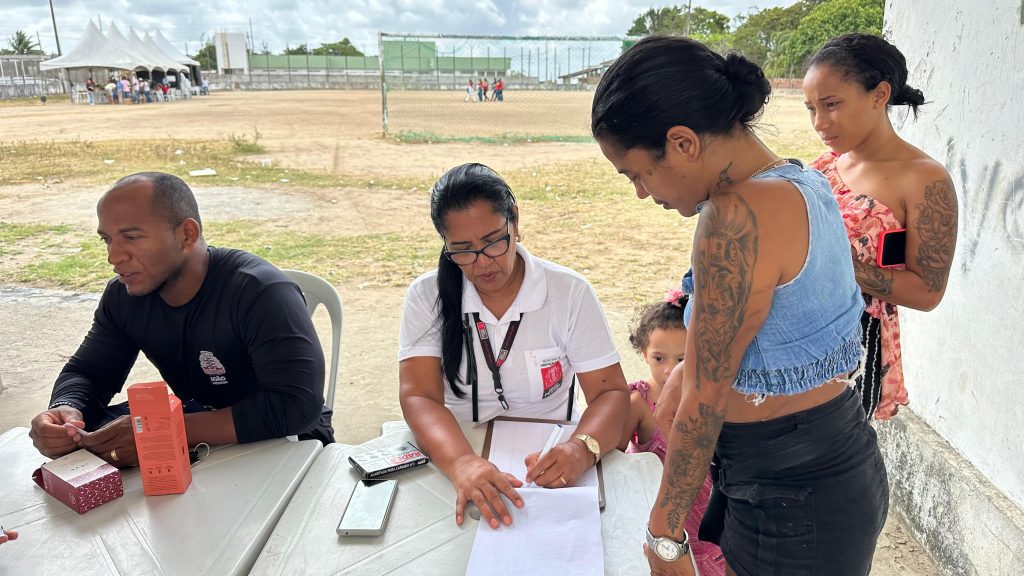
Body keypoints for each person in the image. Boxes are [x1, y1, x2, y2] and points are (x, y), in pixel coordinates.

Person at [592, 36, 886, 576]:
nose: (641, 192)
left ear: (682, 143)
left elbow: (704, 399)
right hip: (819, 462)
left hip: (792, 493)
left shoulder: (733, 217)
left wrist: (664, 537)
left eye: (637, 173)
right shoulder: (803, 178)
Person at [29, 172, 334, 469]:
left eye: (131, 237)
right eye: (107, 239)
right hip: (198, 424)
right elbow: (90, 372)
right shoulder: (124, 297)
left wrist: (163, 429)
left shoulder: (259, 291)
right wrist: (66, 410)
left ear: (187, 234)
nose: (113, 256)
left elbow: (296, 407)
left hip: (291, 443)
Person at [398, 163, 629, 530]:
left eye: (494, 241)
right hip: (455, 448)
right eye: (463, 250)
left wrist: (581, 449)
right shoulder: (427, 296)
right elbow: (420, 396)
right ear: (445, 244)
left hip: (550, 456)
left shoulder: (568, 292)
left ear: (515, 221)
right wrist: (461, 462)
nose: (482, 263)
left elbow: (611, 393)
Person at [804, 33, 958, 421]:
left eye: (832, 104)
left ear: (879, 95)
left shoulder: (924, 180)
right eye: (811, 109)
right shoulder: (823, 166)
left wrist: (837, 263)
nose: (820, 122)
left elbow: (927, 292)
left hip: (852, 354)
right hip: (794, 340)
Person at [618, 288, 725, 576]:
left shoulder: (713, 399)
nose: (669, 370)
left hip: (709, 514)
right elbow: (614, 458)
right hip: (659, 518)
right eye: (659, 358)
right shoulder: (638, 402)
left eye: (681, 360)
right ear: (644, 353)